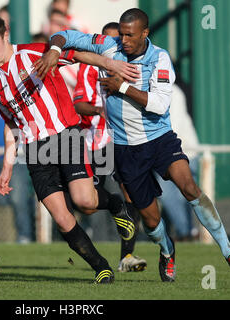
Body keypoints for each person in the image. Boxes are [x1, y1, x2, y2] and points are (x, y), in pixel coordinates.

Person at [36, 7, 230, 282]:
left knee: (189, 187)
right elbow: (64, 35)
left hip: (160, 140)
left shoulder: (159, 59)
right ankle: (167, 250)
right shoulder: (109, 46)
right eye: (121, 34)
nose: (123, 40)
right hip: (127, 149)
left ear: (145, 33)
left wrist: (122, 86)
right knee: (151, 220)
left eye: (129, 35)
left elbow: (159, 104)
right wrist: (55, 51)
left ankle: (228, 250)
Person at [0, 14, 139, 283]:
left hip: (65, 135)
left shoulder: (33, 53)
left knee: (84, 201)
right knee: (62, 218)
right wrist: (6, 165)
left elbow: (76, 55)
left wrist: (110, 63)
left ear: (5, 35)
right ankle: (101, 267)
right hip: (35, 150)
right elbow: (11, 124)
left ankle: (117, 206)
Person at [73, 21, 146, 272]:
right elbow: (78, 104)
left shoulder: (132, 68)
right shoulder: (89, 70)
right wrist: (99, 110)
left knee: (132, 194)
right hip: (95, 143)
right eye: (106, 41)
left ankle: (127, 257)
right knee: (89, 204)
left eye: (115, 41)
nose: (111, 46)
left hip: (123, 140)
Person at [0, 100, 36, 244]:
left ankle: (25, 235)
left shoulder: (20, 104)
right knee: (2, 199)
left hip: (18, 159)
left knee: (19, 199)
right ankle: (7, 236)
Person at [155, 84, 200, 241]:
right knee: (172, 197)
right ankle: (187, 232)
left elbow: (173, 126)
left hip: (185, 151)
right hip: (164, 153)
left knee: (181, 197)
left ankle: (188, 233)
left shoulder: (174, 92)